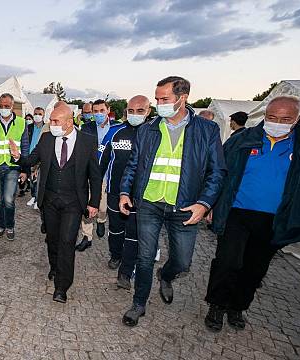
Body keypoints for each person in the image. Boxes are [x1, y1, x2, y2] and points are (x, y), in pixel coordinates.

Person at [119, 76, 226, 326]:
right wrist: (125, 192)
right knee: (144, 257)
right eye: (157, 99)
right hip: (148, 204)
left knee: (182, 261)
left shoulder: (206, 130)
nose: (158, 104)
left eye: (164, 99)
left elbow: (217, 172)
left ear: (183, 98)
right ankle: (139, 303)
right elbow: (133, 165)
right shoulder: (148, 129)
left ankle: (166, 275)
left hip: (185, 207)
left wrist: (205, 203)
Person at [204, 96, 300, 332]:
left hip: (275, 218)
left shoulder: (299, 146)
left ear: (296, 119)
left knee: (254, 268)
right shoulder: (243, 140)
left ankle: (237, 307)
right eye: (272, 117)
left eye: (285, 119)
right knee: (228, 262)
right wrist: (210, 204)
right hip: (236, 212)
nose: (277, 123)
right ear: (264, 116)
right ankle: (216, 305)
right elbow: (219, 172)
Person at [9, 102, 101, 303]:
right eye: (51, 120)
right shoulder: (47, 139)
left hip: (74, 202)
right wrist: (18, 157)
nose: (51, 124)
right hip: (49, 200)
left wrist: (94, 202)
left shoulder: (87, 141)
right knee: (52, 239)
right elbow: (32, 160)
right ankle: (54, 266)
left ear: (69, 122)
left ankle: (62, 286)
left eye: (55, 121)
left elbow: (95, 175)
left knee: (67, 241)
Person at [98, 95, 150, 288]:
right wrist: (96, 189)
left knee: (134, 234)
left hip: (142, 196)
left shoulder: (152, 133)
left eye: (140, 111)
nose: (134, 115)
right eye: (130, 111)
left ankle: (126, 273)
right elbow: (101, 160)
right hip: (114, 191)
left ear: (148, 111)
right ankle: (115, 255)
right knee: (116, 230)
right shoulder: (114, 131)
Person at [77, 100, 122, 249]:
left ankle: (102, 220)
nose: (98, 114)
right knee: (88, 204)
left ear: (108, 110)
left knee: (102, 207)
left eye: (101, 110)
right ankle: (86, 237)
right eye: (94, 111)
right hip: (90, 173)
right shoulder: (86, 127)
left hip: (107, 175)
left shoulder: (117, 127)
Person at [0, 93, 29, 240]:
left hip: (13, 167)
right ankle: (0, 225)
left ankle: (10, 226)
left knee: (8, 199)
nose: (4, 108)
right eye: (1, 106)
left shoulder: (21, 123)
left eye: (7, 106)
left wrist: (25, 170)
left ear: (12, 106)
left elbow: (25, 147)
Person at [26, 107, 46, 209]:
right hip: (30, 156)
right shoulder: (28, 127)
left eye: (40, 114)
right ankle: (33, 196)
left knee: (39, 179)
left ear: (43, 115)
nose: (37, 116)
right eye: (36, 113)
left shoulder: (46, 128)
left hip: (41, 157)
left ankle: (38, 199)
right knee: (31, 179)